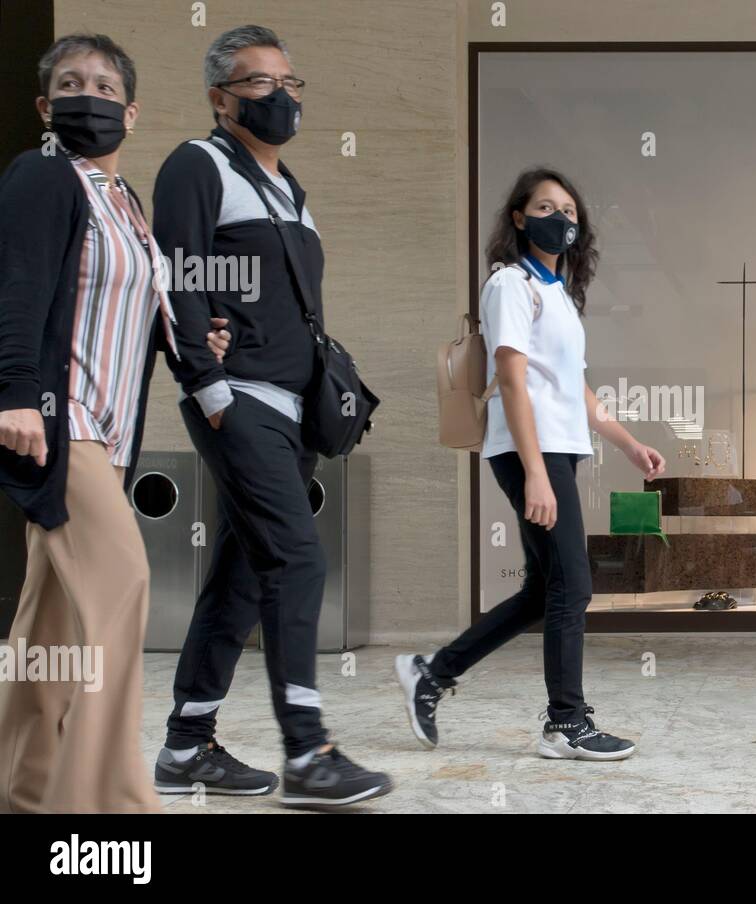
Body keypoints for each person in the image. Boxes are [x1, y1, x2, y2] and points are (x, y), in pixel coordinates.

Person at [149, 24, 390, 808]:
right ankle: (309, 753)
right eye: (259, 83)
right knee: (298, 558)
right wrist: (209, 388)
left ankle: (187, 744)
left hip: (294, 409)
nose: (281, 95)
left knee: (245, 571)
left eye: (290, 82)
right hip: (240, 398)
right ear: (221, 98)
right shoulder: (197, 164)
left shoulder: (289, 188)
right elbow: (177, 276)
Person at [394, 168, 665, 760]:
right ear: (519, 218)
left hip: (558, 450)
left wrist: (626, 442)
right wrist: (537, 471)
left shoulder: (560, 295)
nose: (560, 218)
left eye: (569, 210)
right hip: (526, 452)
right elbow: (512, 383)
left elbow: (576, 389)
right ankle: (566, 722)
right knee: (575, 584)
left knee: (545, 589)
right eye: (546, 207)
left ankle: (432, 674)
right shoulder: (510, 286)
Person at [0, 34, 172, 813]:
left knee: (51, 627)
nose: (87, 95)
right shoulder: (42, 176)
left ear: (130, 113)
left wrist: (193, 335)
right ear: (46, 106)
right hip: (58, 419)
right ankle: (108, 810)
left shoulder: (128, 205)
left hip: (106, 434)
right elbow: (19, 287)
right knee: (124, 584)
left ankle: (25, 790)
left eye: (104, 86)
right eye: (70, 84)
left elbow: (134, 312)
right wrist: (14, 392)